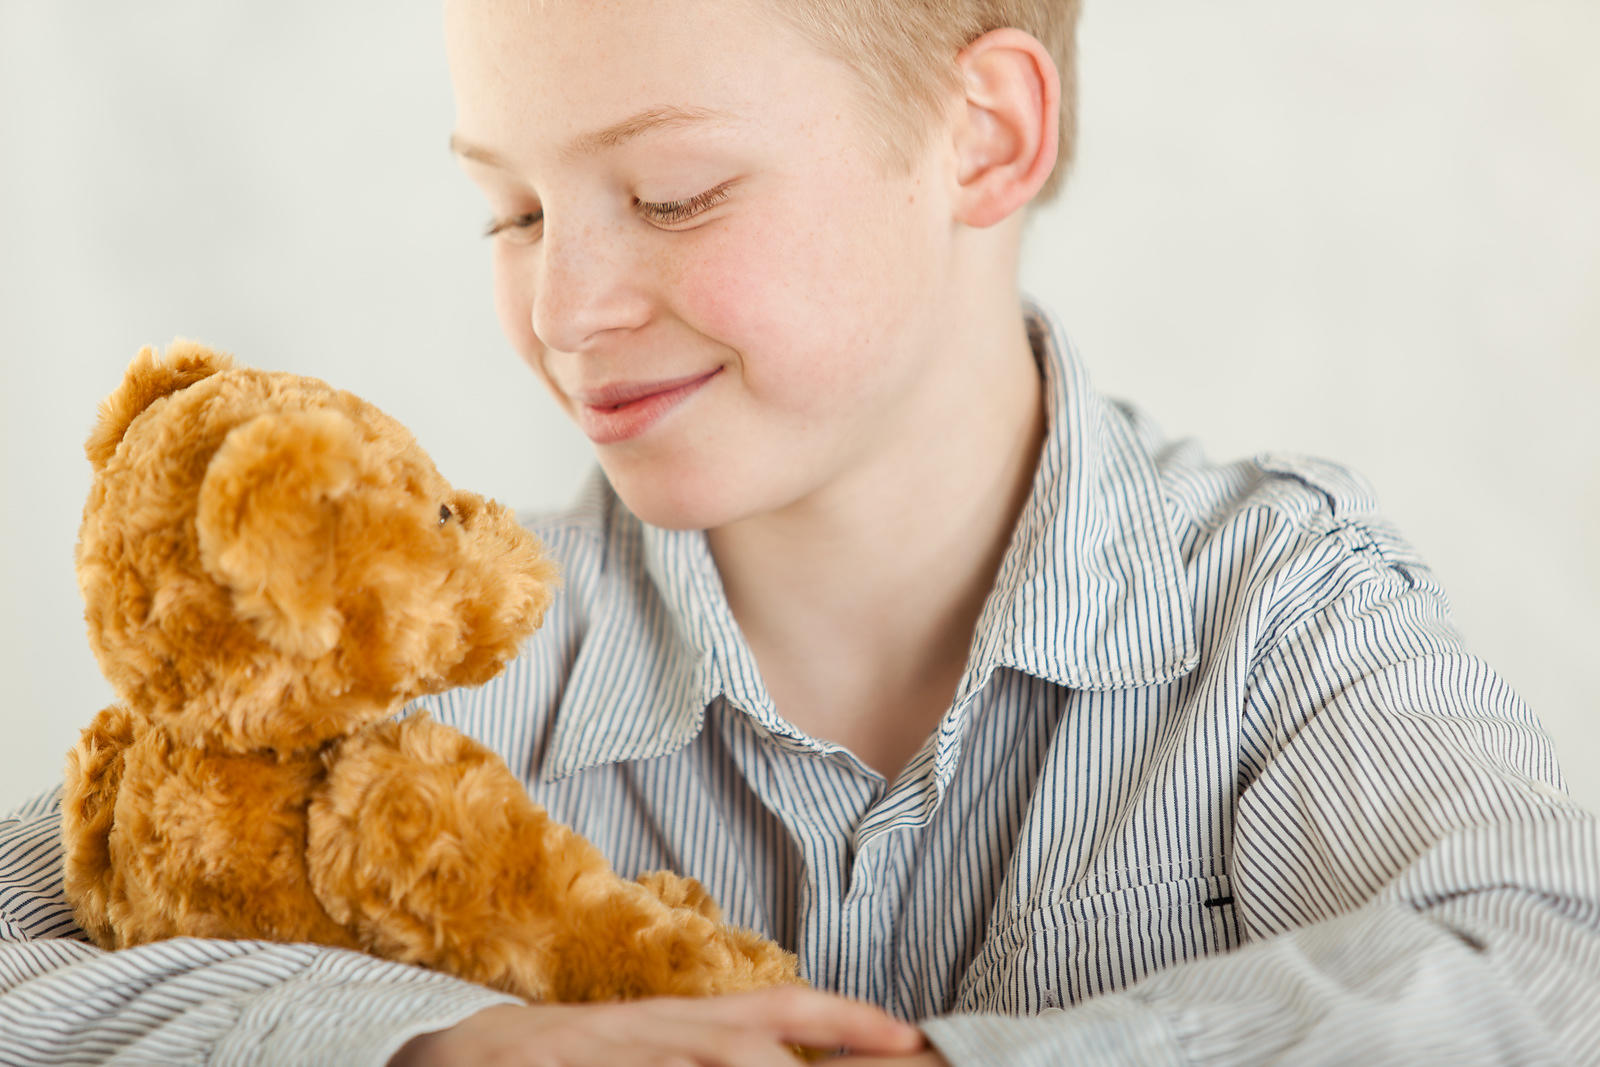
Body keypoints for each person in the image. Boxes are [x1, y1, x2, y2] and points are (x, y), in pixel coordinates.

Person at [3, 0, 1597, 1063]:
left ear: (983, 136)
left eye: (677, 191)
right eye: (514, 210)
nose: (564, 308)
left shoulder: (1278, 610)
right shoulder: (411, 653)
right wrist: (436, 1044)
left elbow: (1547, 963)